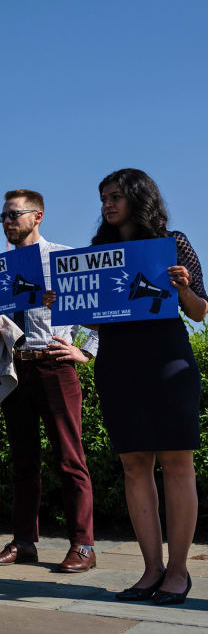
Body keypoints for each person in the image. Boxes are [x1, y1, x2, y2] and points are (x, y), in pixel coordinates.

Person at [89, 169, 205, 605]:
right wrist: (63, 303)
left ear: (139, 198)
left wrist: (183, 287)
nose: (108, 205)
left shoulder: (173, 243)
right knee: (134, 464)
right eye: (103, 198)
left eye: (116, 196)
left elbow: (199, 312)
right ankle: (150, 570)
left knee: (177, 462)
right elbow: (94, 316)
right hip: (118, 362)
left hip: (168, 360)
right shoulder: (100, 251)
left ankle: (178, 572)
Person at [0, 189, 99, 574]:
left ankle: (83, 545)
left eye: (14, 215)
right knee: (23, 461)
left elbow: (96, 311)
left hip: (53, 365)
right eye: (3, 216)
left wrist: (85, 351)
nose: (7, 222)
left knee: (70, 458)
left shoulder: (63, 259)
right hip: (17, 366)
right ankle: (24, 541)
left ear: (38, 216)